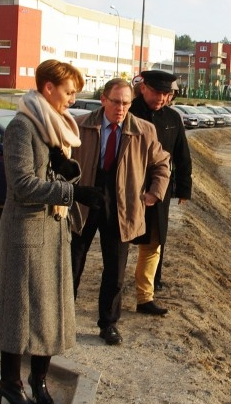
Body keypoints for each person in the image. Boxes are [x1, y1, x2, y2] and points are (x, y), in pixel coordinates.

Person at [0, 59, 105, 404]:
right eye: (70, 92)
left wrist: (66, 172)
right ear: (48, 88)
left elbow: (50, 177)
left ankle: (38, 381)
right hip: (26, 233)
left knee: (49, 309)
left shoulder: (53, 128)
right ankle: (9, 383)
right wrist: (75, 194)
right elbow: (22, 185)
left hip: (54, 232)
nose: (73, 99)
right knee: (20, 309)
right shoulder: (21, 128)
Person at [70, 77, 171, 345]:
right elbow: (63, 161)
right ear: (103, 100)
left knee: (115, 269)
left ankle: (109, 324)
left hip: (123, 205)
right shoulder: (80, 126)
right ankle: (63, 318)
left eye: (126, 103)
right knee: (72, 263)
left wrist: (154, 192)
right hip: (85, 200)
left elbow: (162, 163)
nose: (121, 108)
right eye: (116, 102)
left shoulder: (144, 130)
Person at [129, 70, 192, 316]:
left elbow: (182, 156)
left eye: (166, 94)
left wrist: (184, 188)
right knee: (120, 244)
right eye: (157, 92)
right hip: (127, 188)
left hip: (159, 190)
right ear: (143, 87)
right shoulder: (128, 111)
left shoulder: (173, 118)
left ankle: (146, 296)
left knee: (154, 243)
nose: (161, 98)